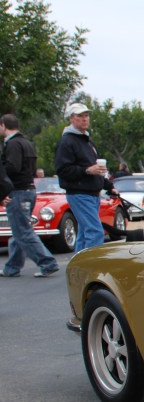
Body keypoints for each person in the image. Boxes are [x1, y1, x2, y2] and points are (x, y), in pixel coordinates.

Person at [0, 114, 60, 278]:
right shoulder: (27, 143)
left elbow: (12, 168)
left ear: (3, 125)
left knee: (23, 232)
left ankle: (47, 263)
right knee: (18, 230)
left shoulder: (12, 144)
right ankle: (12, 267)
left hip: (18, 191)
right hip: (29, 190)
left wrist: (3, 188)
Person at [54, 103, 118, 252]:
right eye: (80, 116)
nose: (85, 119)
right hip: (79, 194)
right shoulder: (67, 141)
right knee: (95, 232)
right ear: (71, 118)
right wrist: (87, 171)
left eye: (86, 116)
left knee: (84, 233)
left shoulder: (87, 141)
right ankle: (92, 268)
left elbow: (94, 170)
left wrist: (109, 185)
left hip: (92, 194)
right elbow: (63, 170)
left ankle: (78, 269)